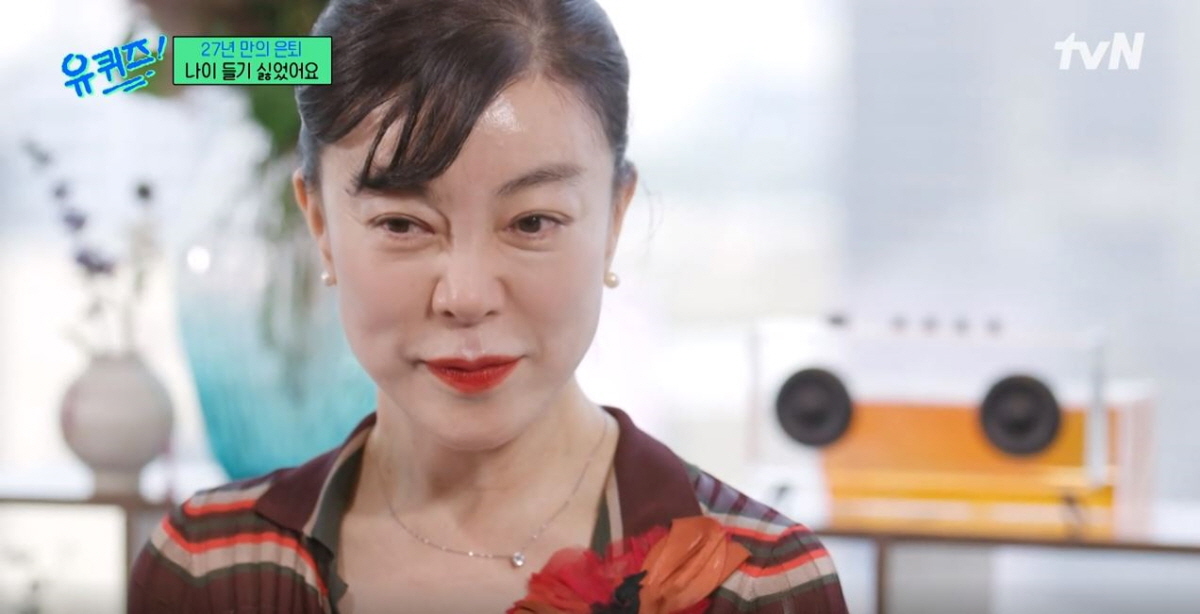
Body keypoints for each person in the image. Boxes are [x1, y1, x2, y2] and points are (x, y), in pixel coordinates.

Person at [129, 0, 849, 612]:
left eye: (532, 222)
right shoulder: (210, 569)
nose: (466, 297)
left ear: (614, 219)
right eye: (402, 224)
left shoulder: (754, 582)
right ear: (319, 224)